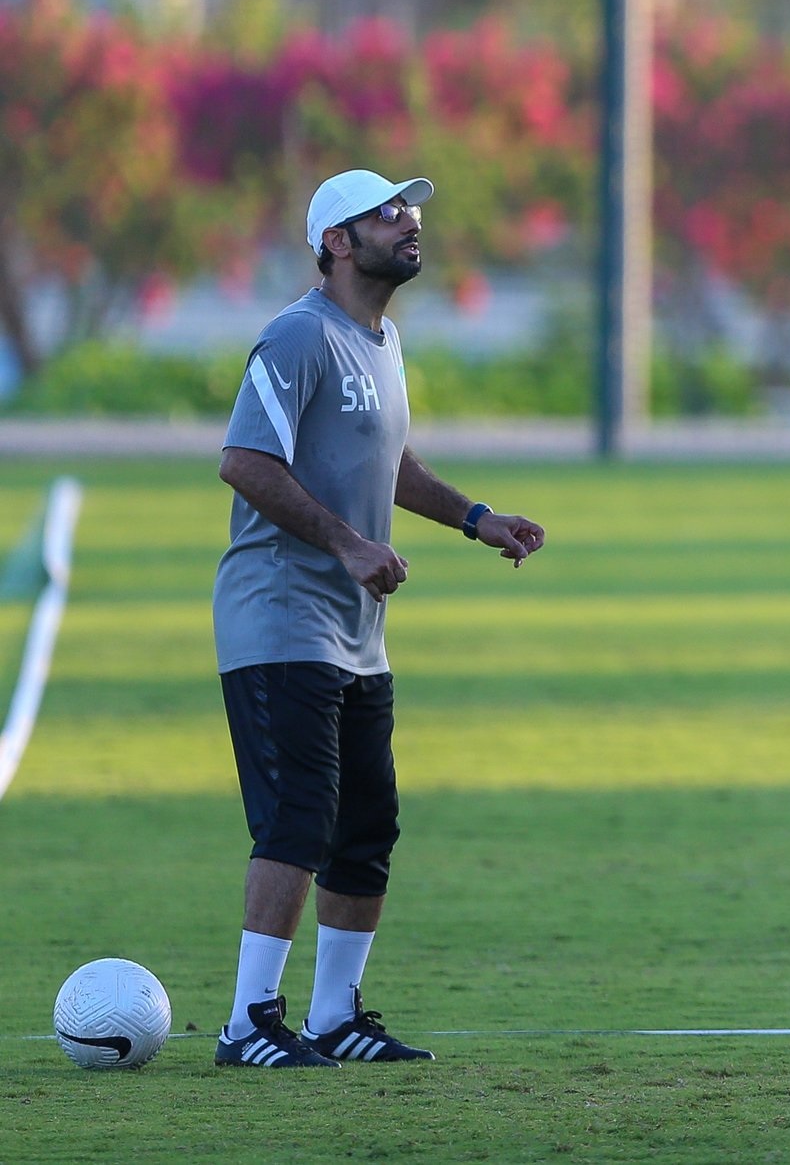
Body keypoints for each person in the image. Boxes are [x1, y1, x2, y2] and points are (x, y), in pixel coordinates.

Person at [212, 168, 547, 1069]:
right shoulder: (296, 337)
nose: (410, 221)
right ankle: (249, 1021)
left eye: (412, 210)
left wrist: (479, 519)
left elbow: (390, 459)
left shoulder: (381, 340)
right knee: (298, 817)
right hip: (278, 618)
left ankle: (332, 1016)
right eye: (387, 212)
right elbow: (244, 461)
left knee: (367, 824)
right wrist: (348, 544)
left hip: (355, 634)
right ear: (334, 241)